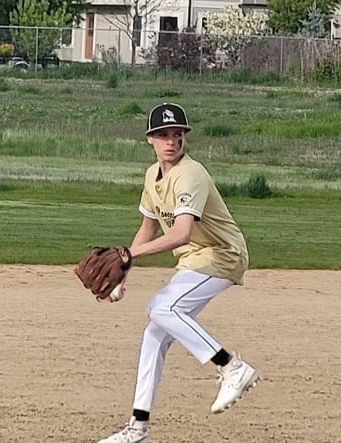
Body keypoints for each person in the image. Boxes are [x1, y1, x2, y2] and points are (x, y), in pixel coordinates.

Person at [98, 103, 259, 443]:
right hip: (195, 259)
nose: (171, 141)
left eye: (177, 134)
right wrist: (122, 272)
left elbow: (180, 233)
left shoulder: (191, 174)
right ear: (150, 140)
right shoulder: (152, 176)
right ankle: (138, 428)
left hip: (223, 254)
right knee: (154, 334)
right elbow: (148, 227)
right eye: (163, 135)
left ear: (184, 138)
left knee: (162, 308)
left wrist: (127, 254)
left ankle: (231, 366)